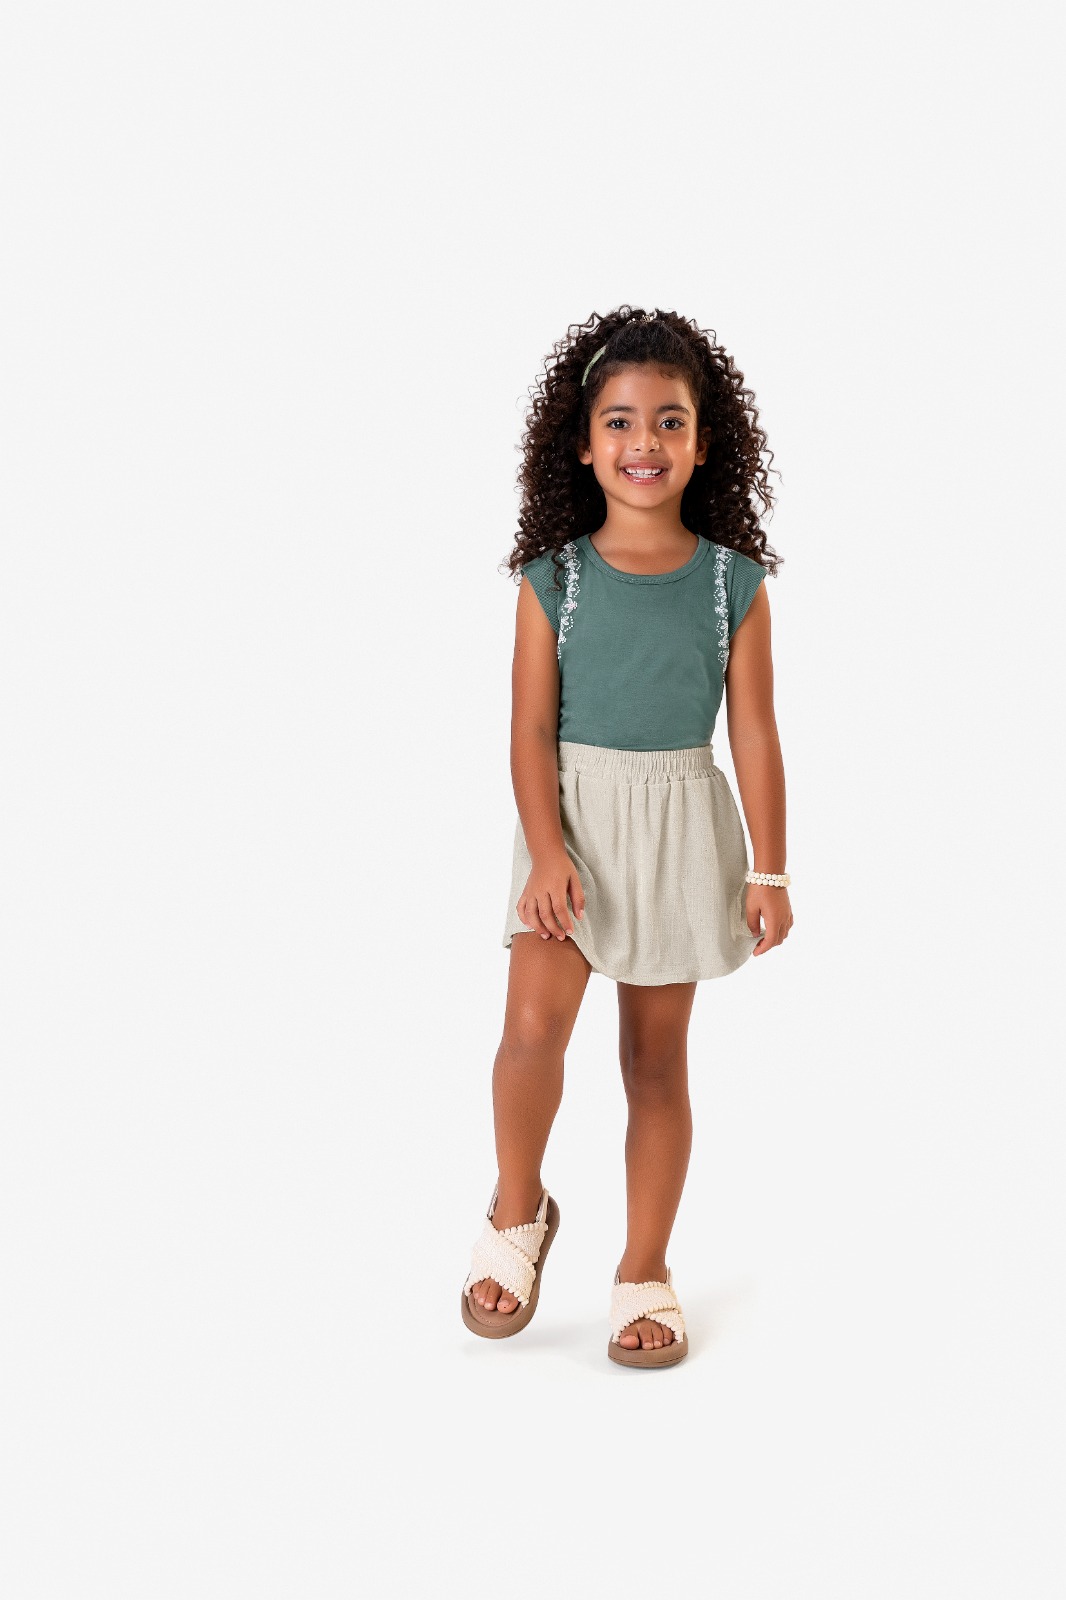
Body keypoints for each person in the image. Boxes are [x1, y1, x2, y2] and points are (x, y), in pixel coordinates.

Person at [460, 306, 791, 1369]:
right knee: (529, 1034)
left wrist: (770, 869)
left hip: (678, 831)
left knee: (654, 1065)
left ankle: (644, 1264)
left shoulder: (731, 584)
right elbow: (527, 729)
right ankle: (519, 1206)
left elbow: (754, 732)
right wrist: (547, 852)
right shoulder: (552, 578)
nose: (643, 442)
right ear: (582, 442)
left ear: (703, 442)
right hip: (568, 831)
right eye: (619, 421)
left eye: (668, 421)